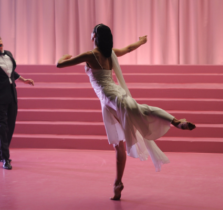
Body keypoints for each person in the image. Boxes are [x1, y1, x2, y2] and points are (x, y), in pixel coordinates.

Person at [57, 24, 196, 200]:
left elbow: (59, 64)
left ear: (94, 36)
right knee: (124, 134)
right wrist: (141, 41)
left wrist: (65, 55)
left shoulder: (91, 55)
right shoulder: (110, 52)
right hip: (110, 100)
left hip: (111, 99)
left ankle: (175, 121)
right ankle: (118, 182)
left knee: (137, 115)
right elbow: (129, 48)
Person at [0, 33, 34, 170]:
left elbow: (11, 72)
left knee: (9, 127)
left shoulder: (8, 54)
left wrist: (23, 80)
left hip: (12, 95)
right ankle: (5, 158)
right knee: (2, 127)